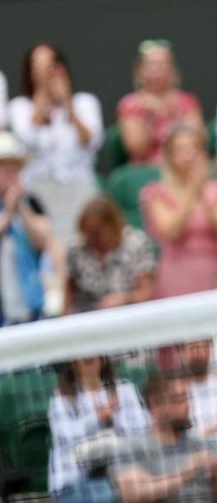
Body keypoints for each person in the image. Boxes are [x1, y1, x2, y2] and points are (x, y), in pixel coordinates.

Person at [112, 374, 217, 503]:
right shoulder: (132, 447)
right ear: (156, 405)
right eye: (179, 400)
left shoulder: (204, 445)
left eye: (187, 398)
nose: (187, 405)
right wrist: (186, 474)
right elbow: (133, 494)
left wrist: (216, 480)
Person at [8, 43, 103, 244]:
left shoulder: (85, 102)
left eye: (51, 65)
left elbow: (92, 142)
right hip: (37, 191)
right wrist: (42, 91)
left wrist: (68, 104)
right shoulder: (19, 107)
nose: (47, 72)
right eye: (39, 66)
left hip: (79, 187)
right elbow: (28, 139)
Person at [141, 126, 217, 298]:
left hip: (214, 269)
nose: (188, 155)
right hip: (177, 271)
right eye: (180, 149)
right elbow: (171, 232)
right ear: (169, 156)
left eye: (194, 148)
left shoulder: (216, 190)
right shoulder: (157, 193)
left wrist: (203, 194)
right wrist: (191, 190)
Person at [48, 356, 150, 503]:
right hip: (73, 482)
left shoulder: (124, 388)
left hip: (123, 472)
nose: (90, 356)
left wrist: (113, 418)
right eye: (84, 355)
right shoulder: (60, 398)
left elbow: (143, 428)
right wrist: (98, 418)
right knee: (108, 497)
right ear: (74, 362)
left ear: (103, 359)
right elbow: (66, 436)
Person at [117, 40, 203, 165]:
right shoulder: (129, 104)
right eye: (152, 64)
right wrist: (150, 117)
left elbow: (199, 142)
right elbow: (136, 148)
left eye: (164, 64)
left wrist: (176, 115)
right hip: (147, 169)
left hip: (185, 166)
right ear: (140, 70)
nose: (159, 69)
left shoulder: (187, 101)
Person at [65, 197, 156, 314]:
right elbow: (69, 293)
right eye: (87, 232)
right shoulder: (76, 250)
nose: (92, 237)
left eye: (97, 232)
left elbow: (148, 291)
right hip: (89, 318)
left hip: (129, 316)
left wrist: (123, 298)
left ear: (113, 225)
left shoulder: (135, 244)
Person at [0, 132, 50, 326]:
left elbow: (42, 240)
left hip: (30, 305)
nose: (13, 175)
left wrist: (20, 208)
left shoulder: (31, 202)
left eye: (16, 168)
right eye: (6, 168)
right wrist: (9, 212)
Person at [176, 339, 217, 441]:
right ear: (181, 353)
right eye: (194, 348)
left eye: (205, 347)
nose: (201, 353)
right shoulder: (173, 397)